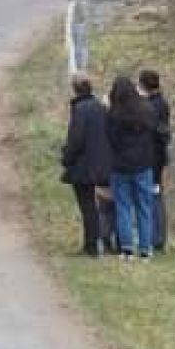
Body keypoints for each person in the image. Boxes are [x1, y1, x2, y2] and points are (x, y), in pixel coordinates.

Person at [106, 76, 157, 260]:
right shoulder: (147, 110)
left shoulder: (113, 115)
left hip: (120, 166)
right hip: (143, 165)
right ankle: (145, 248)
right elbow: (154, 135)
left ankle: (127, 248)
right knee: (145, 206)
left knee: (123, 206)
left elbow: (110, 139)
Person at [61, 73, 112, 257]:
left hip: (84, 164)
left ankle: (91, 245)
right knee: (99, 205)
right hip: (102, 163)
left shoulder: (80, 109)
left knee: (87, 206)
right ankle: (101, 241)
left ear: (75, 88)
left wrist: (67, 158)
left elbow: (76, 139)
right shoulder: (100, 107)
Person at [138, 69, 172, 252]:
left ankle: (156, 238)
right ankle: (157, 236)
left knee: (153, 196)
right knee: (155, 194)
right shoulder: (162, 103)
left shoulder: (151, 106)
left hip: (152, 158)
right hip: (158, 157)